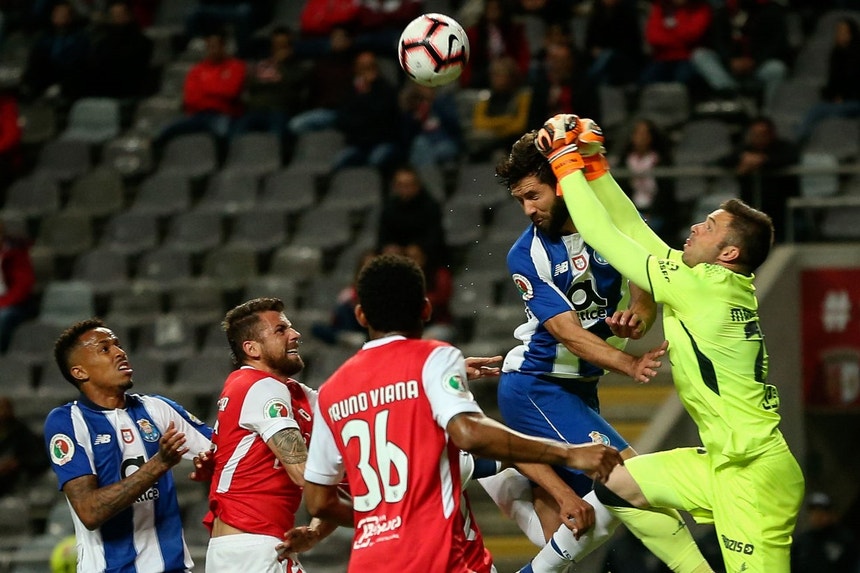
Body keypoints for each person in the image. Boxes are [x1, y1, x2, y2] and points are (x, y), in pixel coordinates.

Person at [535, 113, 805, 572]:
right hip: (725, 460)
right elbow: (635, 232)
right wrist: (594, 165)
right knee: (617, 483)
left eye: (710, 225)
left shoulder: (702, 287)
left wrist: (564, 161)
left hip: (753, 475)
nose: (697, 227)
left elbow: (605, 236)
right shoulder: (707, 281)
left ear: (729, 253)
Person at [302, 253, 625, 572]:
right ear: (426, 309)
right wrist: (569, 454)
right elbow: (471, 434)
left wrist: (381, 521)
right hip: (436, 558)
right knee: (615, 499)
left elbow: (318, 502)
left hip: (369, 563)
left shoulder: (331, 391)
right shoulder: (433, 357)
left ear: (360, 315)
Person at [492, 131, 712, 573]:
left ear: (560, 182)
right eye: (520, 200)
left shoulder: (609, 227)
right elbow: (568, 334)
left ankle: (494, 468)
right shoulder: (527, 254)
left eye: (533, 195)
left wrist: (637, 318)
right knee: (629, 480)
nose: (528, 209)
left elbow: (644, 293)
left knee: (574, 533)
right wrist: (628, 361)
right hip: (537, 386)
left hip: (580, 389)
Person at [44, 318, 214, 572]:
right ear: (79, 372)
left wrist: (212, 464)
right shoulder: (67, 421)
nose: (119, 352)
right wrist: (159, 464)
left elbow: (226, 451)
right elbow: (89, 511)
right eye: (104, 348)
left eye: (118, 345)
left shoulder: (157, 409)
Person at [204, 297, 339, 572]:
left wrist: (315, 532)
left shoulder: (295, 395)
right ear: (252, 348)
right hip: (252, 549)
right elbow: (303, 472)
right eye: (281, 330)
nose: (295, 334)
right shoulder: (260, 387)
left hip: (251, 548)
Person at [155, 28, 246, 153]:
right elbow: (190, 99)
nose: (212, 50)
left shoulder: (236, 66)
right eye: (209, 46)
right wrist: (218, 89)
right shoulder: (196, 70)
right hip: (198, 115)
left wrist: (206, 88)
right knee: (166, 131)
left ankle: (223, 165)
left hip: (223, 114)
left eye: (215, 46)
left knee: (223, 133)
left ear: (223, 46)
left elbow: (231, 92)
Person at [690, 0, 790, 108]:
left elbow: (775, 44)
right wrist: (730, 60)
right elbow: (718, 42)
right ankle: (732, 94)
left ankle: (770, 112)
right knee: (699, 55)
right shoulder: (723, 13)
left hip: (756, 68)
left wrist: (755, 61)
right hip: (729, 69)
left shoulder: (770, 11)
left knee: (777, 69)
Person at [718, 116, 799, 243]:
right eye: (754, 134)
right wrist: (744, 159)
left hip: (779, 202)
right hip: (750, 203)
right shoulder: (745, 149)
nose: (758, 138)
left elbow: (790, 158)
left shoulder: (783, 147)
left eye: (762, 134)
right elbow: (723, 161)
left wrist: (762, 160)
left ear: (771, 134)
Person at [231, 25, 309, 157]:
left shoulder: (298, 68)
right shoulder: (264, 65)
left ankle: (274, 162)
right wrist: (272, 74)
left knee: (277, 134)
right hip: (255, 110)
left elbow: (292, 89)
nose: (279, 49)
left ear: (290, 46)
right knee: (237, 131)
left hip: (279, 110)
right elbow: (252, 85)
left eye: (283, 45)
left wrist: (282, 68)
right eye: (276, 45)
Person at [795, 17, 860, 143]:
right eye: (838, 31)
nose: (839, 35)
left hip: (855, 101)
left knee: (818, 110)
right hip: (843, 100)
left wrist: (844, 97)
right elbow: (834, 83)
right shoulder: (837, 54)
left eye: (843, 31)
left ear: (851, 34)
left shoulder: (857, 56)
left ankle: (801, 135)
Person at [468, 55, 533, 162]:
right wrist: (505, 123)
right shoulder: (486, 98)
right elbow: (479, 123)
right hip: (492, 143)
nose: (495, 79)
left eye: (499, 75)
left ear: (511, 77)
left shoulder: (523, 97)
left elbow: (519, 125)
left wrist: (493, 128)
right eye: (493, 75)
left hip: (515, 143)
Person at [85, 0, 154, 100]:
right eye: (114, 15)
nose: (117, 18)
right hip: (101, 85)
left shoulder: (142, 42)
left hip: (126, 87)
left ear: (130, 15)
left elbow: (132, 69)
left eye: (120, 14)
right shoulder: (104, 40)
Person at [640, 0, 711, 86]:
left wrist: (667, 33)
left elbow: (691, 35)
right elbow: (653, 37)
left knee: (684, 80)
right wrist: (676, 37)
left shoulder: (701, 8)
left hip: (688, 58)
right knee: (644, 82)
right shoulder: (659, 8)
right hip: (662, 58)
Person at [791, 491, 860, 573]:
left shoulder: (845, 540)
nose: (817, 516)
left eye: (821, 511)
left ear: (831, 513)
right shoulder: (801, 542)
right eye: (814, 512)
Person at [0, 395, 48, 497]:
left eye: (3, 408)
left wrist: (17, 462)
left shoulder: (20, 432)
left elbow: (37, 458)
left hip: (16, 480)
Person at [0, 219, 36, 354]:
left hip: (15, 305)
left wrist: (2, 303)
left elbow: (22, 288)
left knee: (2, 317)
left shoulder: (15, 254)